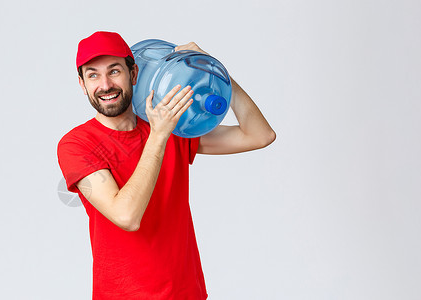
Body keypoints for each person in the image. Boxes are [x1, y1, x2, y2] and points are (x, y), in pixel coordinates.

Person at [57, 31, 275, 300]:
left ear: (133, 74)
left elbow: (259, 135)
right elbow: (127, 216)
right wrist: (159, 135)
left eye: (114, 71)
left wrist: (218, 74)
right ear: (82, 84)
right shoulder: (77, 144)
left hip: (186, 293)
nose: (105, 84)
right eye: (93, 75)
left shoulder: (172, 127)